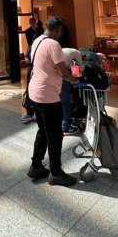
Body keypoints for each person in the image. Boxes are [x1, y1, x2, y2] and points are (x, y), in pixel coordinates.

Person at [27, 16, 79, 187]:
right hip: (47, 96)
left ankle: (36, 166)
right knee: (55, 135)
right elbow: (63, 72)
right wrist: (74, 79)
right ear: (58, 30)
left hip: (34, 92)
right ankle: (55, 173)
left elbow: (43, 65)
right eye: (60, 31)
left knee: (43, 130)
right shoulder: (54, 44)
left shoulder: (37, 40)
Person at [60, 48, 82, 135]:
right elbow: (77, 67)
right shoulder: (77, 54)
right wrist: (75, 80)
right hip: (61, 75)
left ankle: (61, 122)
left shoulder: (64, 51)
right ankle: (66, 126)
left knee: (58, 101)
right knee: (65, 102)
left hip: (52, 75)